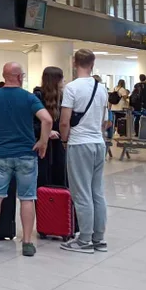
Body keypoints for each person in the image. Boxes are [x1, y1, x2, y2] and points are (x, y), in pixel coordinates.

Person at [0, 62, 52, 257]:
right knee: (27, 198)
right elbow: (47, 120)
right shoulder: (29, 97)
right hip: (26, 154)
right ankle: (27, 243)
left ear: (4, 76)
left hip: (0, 155)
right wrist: (42, 142)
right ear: (19, 77)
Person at [58, 49, 110, 254]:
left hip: (79, 143)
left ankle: (84, 240)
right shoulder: (102, 88)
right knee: (97, 192)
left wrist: (64, 140)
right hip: (98, 143)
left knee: (81, 193)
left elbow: (64, 121)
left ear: (74, 63)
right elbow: (105, 121)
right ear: (93, 63)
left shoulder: (71, 88)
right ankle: (99, 238)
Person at [34, 67, 66, 189]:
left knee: (59, 177)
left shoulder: (62, 97)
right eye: (62, 78)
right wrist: (47, 132)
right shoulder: (37, 96)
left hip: (58, 144)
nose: (64, 81)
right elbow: (32, 122)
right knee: (43, 179)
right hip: (42, 144)